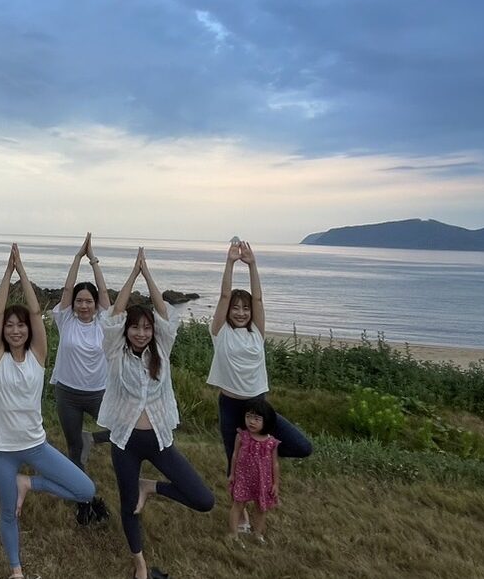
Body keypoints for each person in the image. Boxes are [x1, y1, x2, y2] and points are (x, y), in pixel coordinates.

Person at [99, 248, 214, 579]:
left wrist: (147, 275)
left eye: (146, 328)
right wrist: (130, 277)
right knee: (128, 504)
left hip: (160, 439)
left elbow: (164, 314)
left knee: (203, 498)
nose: (140, 333)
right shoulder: (115, 352)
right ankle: (140, 564)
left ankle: (150, 487)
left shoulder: (161, 348)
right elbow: (113, 317)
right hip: (124, 441)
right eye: (135, 328)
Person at [0, 245, 96, 579]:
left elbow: (37, 315)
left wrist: (25, 274)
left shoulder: (38, 356)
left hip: (35, 444)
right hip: (1, 450)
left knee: (85, 491)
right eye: (10, 326)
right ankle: (16, 570)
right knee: (8, 514)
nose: (16, 329)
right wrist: (8, 273)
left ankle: (28, 483)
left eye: (21, 326)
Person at [209, 240, 311, 530]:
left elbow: (259, 300)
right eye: (235, 308)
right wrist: (230, 263)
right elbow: (224, 294)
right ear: (228, 311)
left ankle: (264, 454)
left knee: (302, 446)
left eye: (245, 309)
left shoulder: (257, 332)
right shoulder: (220, 332)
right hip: (231, 406)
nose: (241, 312)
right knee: (234, 461)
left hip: (259, 405)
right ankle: (239, 513)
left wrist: (252, 265)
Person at [51, 232, 113, 525]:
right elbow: (66, 289)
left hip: (99, 393)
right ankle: (82, 499)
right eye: (79, 301)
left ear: (96, 304)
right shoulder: (65, 319)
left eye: (89, 301)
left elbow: (104, 291)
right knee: (73, 447)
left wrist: (94, 260)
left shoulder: (104, 321)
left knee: (121, 432)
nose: (84, 305)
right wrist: (77, 257)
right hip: (68, 394)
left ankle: (94, 438)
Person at [228, 398, 281, 546]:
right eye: (248, 417)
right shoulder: (242, 436)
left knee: (261, 508)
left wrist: (276, 483)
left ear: (266, 420)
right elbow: (234, 455)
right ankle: (233, 534)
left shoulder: (271, 442)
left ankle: (258, 534)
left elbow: (275, 464)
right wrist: (232, 474)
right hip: (243, 478)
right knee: (238, 504)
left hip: (263, 481)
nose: (251, 421)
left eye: (257, 419)